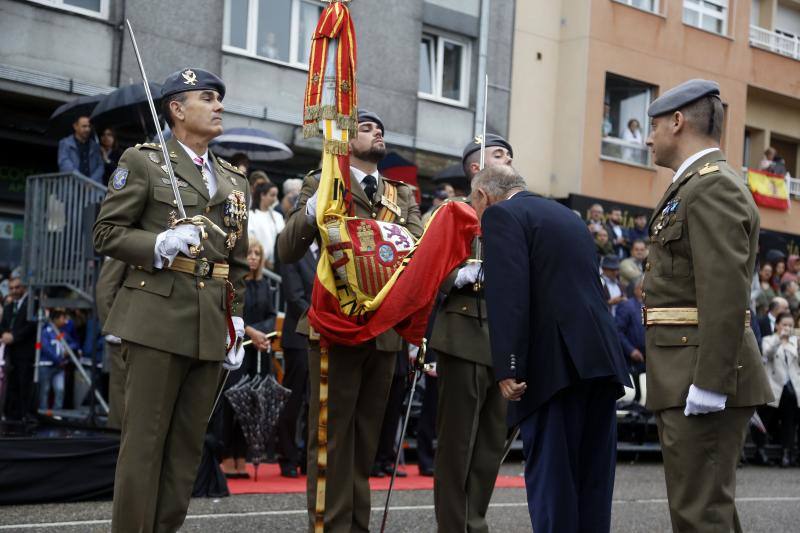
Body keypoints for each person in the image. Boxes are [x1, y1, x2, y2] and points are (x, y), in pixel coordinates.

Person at [93, 68, 250, 533]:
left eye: (220, 97)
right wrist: (159, 244)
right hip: (155, 319)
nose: (219, 105)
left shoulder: (232, 179)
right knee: (144, 446)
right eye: (207, 97)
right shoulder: (143, 162)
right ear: (177, 109)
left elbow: (235, 263)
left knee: (185, 451)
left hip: (209, 327)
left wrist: (236, 321)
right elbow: (107, 233)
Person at [277, 109, 423, 532]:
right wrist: (311, 208)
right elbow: (286, 249)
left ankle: (356, 527)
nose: (377, 131)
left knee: (365, 441)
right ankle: (330, 527)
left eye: (381, 128)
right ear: (343, 141)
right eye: (365, 127)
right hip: (335, 325)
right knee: (331, 439)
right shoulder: (323, 181)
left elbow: (415, 249)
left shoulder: (402, 194)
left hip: (384, 331)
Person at [643, 78, 773, 532]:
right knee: (704, 511)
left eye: (653, 124)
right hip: (686, 367)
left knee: (699, 515)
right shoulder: (694, 186)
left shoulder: (711, 186)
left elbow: (724, 292)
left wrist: (712, 382)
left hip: (700, 371)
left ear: (678, 122)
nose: (648, 136)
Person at [474, 164, 630, 533]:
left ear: (483, 195)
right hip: (599, 359)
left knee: (553, 484)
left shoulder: (501, 214)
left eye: (473, 202)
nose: (475, 212)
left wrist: (509, 366)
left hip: (553, 367)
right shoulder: (568, 216)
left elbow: (508, 294)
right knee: (592, 481)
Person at [429, 134, 512, 533]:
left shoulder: (516, 214)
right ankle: (452, 526)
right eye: (498, 154)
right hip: (463, 333)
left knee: (491, 445)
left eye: (509, 154)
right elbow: (426, 264)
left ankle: (474, 521)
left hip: (504, 338)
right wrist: (457, 274)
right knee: (458, 445)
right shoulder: (455, 211)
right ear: (475, 167)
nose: (508, 157)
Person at [220, 240, 275, 478]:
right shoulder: (236, 284)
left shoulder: (265, 285)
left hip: (257, 352)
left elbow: (272, 315)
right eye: (249, 253)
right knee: (231, 403)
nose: (253, 257)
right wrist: (252, 332)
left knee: (250, 405)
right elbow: (233, 314)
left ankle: (242, 456)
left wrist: (262, 335)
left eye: (257, 253)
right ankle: (224, 456)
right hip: (237, 348)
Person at [276, 241, 318, 478]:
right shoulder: (294, 250)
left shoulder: (326, 250)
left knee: (315, 400)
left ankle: (307, 458)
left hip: (322, 337)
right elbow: (294, 297)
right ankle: (288, 456)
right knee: (294, 400)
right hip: (300, 337)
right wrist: (320, 320)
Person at [760, 312, 800, 467]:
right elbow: (767, 354)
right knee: (766, 419)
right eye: (784, 325)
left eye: (790, 325)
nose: (787, 328)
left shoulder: (794, 341)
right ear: (777, 325)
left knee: (789, 422)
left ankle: (786, 453)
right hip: (774, 386)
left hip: (792, 389)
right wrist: (779, 339)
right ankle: (761, 450)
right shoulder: (768, 339)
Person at [95, 257, 128, 430]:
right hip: (124, 332)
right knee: (121, 393)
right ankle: (116, 443)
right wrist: (112, 329)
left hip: (141, 330)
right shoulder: (126, 240)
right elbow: (105, 288)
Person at [0, 274, 37, 421]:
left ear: (24, 287)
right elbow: (2, 325)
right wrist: (4, 334)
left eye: (17, 287)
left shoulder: (32, 304)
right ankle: (12, 417)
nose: (14, 291)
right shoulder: (9, 306)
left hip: (25, 354)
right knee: (11, 387)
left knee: (24, 386)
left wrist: (14, 336)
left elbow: (31, 326)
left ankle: (25, 417)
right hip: (11, 354)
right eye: (11, 288)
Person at [37, 309, 77, 410]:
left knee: (60, 390)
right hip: (46, 365)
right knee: (44, 391)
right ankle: (43, 412)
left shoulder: (63, 333)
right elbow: (46, 348)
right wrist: (59, 359)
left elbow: (74, 343)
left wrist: (69, 349)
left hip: (60, 367)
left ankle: (57, 413)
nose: (65, 321)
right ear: (55, 319)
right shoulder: (45, 331)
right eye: (63, 318)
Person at [616, 276, 647, 401]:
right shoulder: (627, 306)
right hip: (632, 358)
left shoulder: (651, 305)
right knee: (636, 395)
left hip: (649, 356)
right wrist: (631, 350)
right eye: (643, 288)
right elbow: (617, 331)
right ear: (636, 290)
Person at [248, 181, 285, 271]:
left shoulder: (278, 216)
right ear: (262, 195)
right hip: (258, 264)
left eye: (276, 195)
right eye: (272, 195)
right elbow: (250, 239)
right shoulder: (251, 215)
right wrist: (261, 258)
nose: (275, 199)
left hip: (276, 264)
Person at [57, 116, 104, 183]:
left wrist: (91, 181)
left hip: (92, 188)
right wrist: (82, 180)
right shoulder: (65, 143)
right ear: (75, 126)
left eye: (89, 126)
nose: (87, 129)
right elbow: (64, 163)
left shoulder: (95, 146)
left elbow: (100, 166)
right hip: (71, 186)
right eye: (84, 126)